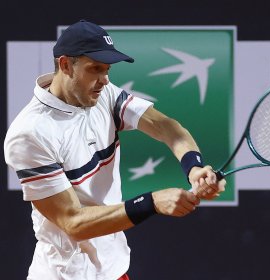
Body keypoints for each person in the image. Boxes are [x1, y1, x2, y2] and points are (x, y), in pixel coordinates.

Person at [4, 20, 225, 280]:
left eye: (107, 69)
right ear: (65, 65)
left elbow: (166, 127)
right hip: (66, 275)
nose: (104, 80)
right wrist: (151, 202)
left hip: (113, 269)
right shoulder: (30, 133)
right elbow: (73, 223)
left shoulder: (103, 94)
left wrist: (194, 167)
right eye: (95, 69)